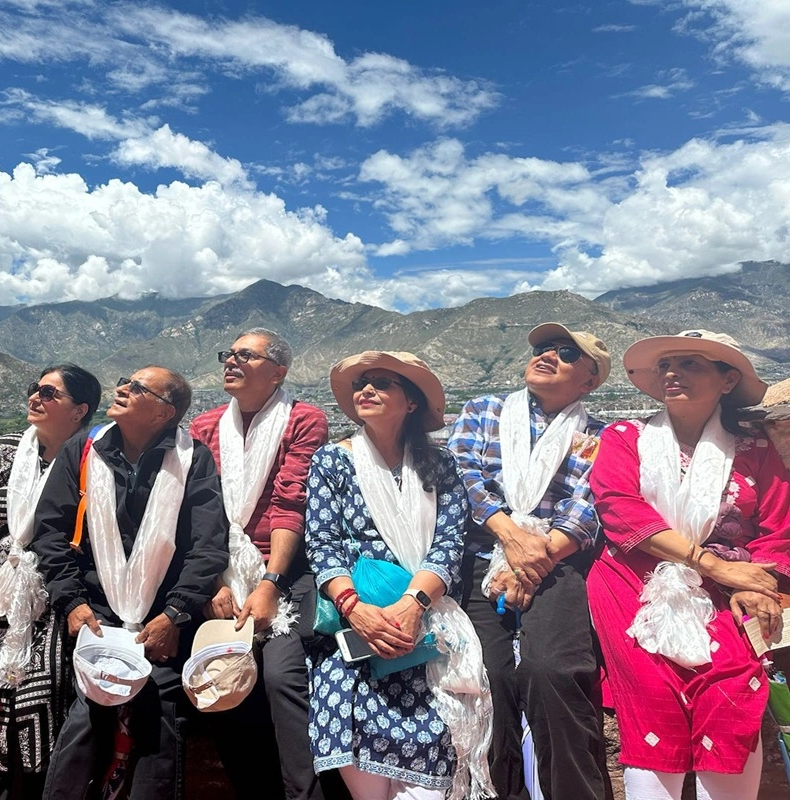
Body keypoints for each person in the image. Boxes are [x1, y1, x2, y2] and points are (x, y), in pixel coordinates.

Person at [588, 330, 789, 800]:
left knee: (734, 685)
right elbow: (619, 510)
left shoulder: (755, 450)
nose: (672, 373)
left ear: (727, 380)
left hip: (727, 588)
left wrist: (756, 583)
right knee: (652, 693)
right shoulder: (624, 439)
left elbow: (779, 527)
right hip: (634, 581)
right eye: (666, 365)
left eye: (690, 364)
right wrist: (714, 566)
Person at [32, 366, 229, 800]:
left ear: (164, 412)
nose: (121, 388)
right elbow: (49, 532)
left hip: (165, 615)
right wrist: (73, 604)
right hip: (95, 610)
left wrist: (175, 615)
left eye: (137, 387)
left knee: (160, 716)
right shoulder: (83, 451)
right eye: (125, 381)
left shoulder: (193, 459)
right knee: (88, 715)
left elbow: (208, 545)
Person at [306, 351, 492, 800]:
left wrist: (413, 606)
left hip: (425, 628)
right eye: (361, 384)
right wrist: (355, 609)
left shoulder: (441, 465)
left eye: (381, 383)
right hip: (357, 635)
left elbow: (448, 544)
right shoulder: (331, 462)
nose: (366, 390)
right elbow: (322, 542)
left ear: (411, 402)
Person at [448, 323, 613, 800]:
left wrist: (528, 562)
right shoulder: (484, 410)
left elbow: (586, 507)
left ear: (589, 381)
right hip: (483, 557)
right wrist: (510, 538)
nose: (548, 355)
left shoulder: (598, 435)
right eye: (543, 347)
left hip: (556, 563)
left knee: (554, 672)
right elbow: (463, 476)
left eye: (566, 353)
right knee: (489, 678)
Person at [0, 364, 102, 799]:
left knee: (45, 716)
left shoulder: (95, 460)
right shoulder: (1, 452)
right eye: (35, 389)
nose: (35, 397)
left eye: (49, 393)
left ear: (79, 410)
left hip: (58, 609)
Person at [188, 328, 331, 800]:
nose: (231, 361)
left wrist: (269, 583)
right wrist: (212, 581)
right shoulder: (206, 426)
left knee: (280, 676)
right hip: (218, 570)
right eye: (228, 354)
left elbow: (291, 502)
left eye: (245, 356)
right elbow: (198, 510)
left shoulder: (303, 419)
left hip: (285, 572)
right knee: (222, 679)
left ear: (278, 372)